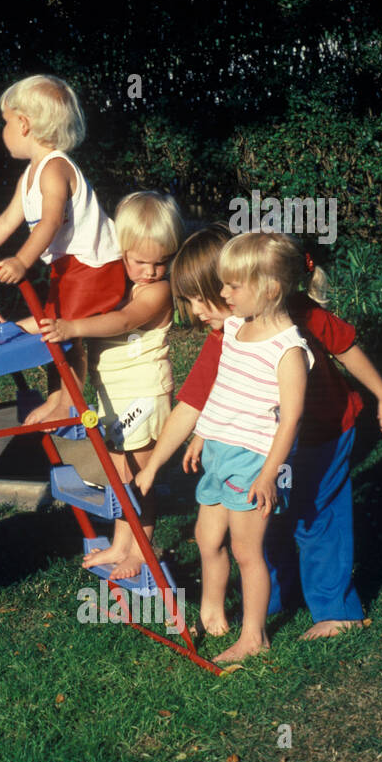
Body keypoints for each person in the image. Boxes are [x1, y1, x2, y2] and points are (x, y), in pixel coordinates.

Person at [149, 226, 382, 641]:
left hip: (325, 431)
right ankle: (271, 600)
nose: (194, 311)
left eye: (202, 297)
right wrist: (204, 435)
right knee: (270, 517)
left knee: (317, 517)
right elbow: (215, 396)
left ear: (252, 289)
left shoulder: (298, 315)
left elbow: (346, 346)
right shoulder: (227, 337)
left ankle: (337, 611)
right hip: (268, 444)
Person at [134, 231, 312, 663]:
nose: (225, 294)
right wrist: (201, 433)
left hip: (254, 462)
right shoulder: (233, 329)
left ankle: (255, 636)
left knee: (247, 551)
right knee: (205, 535)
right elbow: (221, 394)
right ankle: (213, 610)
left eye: (232, 286)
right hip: (219, 454)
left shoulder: (288, 351)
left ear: (268, 289)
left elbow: (290, 419)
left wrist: (269, 473)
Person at [0, 74, 125, 424]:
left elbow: (50, 222)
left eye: (5, 122)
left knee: (62, 329)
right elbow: (4, 221)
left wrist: (22, 260)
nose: (3, 131)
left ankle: (66, 401)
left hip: (95, 265)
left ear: (24, 123)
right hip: (70, 267)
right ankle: (54, 391)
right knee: (55, 330)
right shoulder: (29, 175)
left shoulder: (55, 169)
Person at [36, 191, 183, 580]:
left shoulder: (157, 291)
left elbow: (121, 322)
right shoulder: (117, 283)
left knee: (141, 478)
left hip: (145, 394)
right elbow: (75, 301)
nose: (151, 271)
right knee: (121, 476)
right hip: (114, 398)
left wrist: (74, 327)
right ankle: (121, 544)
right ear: (122, 250)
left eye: (161, 262)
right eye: (140, 262)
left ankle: (142, 549)